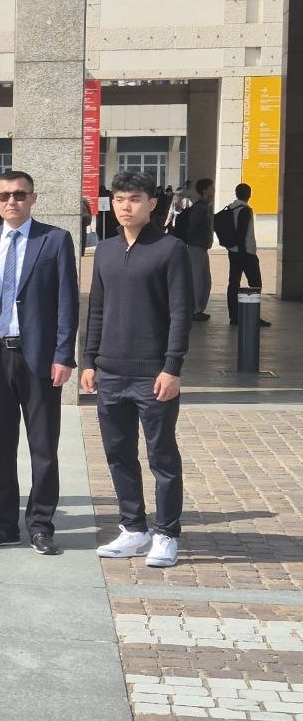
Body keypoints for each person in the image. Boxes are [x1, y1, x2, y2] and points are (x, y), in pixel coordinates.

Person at [0, 170, 79, 556]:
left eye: (19, 195)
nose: (11, 202)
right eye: (4, 196)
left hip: (39, 360)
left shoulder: (54, 240)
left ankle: (41, 525)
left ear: (33, 198)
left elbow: (67, 301)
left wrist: (64, 354)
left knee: (43, 447)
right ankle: (5, 524)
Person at [84, 170, 192, 569]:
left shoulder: (170, 249)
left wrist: (172, 367)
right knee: (118, 453)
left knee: (161, 456)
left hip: (153, 374)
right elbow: (97, 309)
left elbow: (180, 312)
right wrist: (89, 360)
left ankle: (166, 533)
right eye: (119, 199)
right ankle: (133, 528)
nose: (125, 206)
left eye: (134, 199)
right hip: (110, 372)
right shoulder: (106, 250)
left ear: (152, 203)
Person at [225, 182, 270, 327]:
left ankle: (234, 316)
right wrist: (244, 253)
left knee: (233, 284)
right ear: (249, 195)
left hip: (233, 252)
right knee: (255, 284)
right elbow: (242, 233)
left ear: (236, 193)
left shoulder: (230, 207)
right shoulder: (245, 210)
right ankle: (253, 316)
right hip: (246, 253)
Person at [178, 177, 214, 322]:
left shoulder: (204, 206)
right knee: (198, 279)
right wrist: (194, 240)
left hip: (200, 247)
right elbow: (193, 227)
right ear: (204, 190)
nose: (213, 191)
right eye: (211, 188)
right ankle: (195, 309)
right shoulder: (200, 208)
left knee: (204, 279)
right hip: (195, 247)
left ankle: (198, 308)